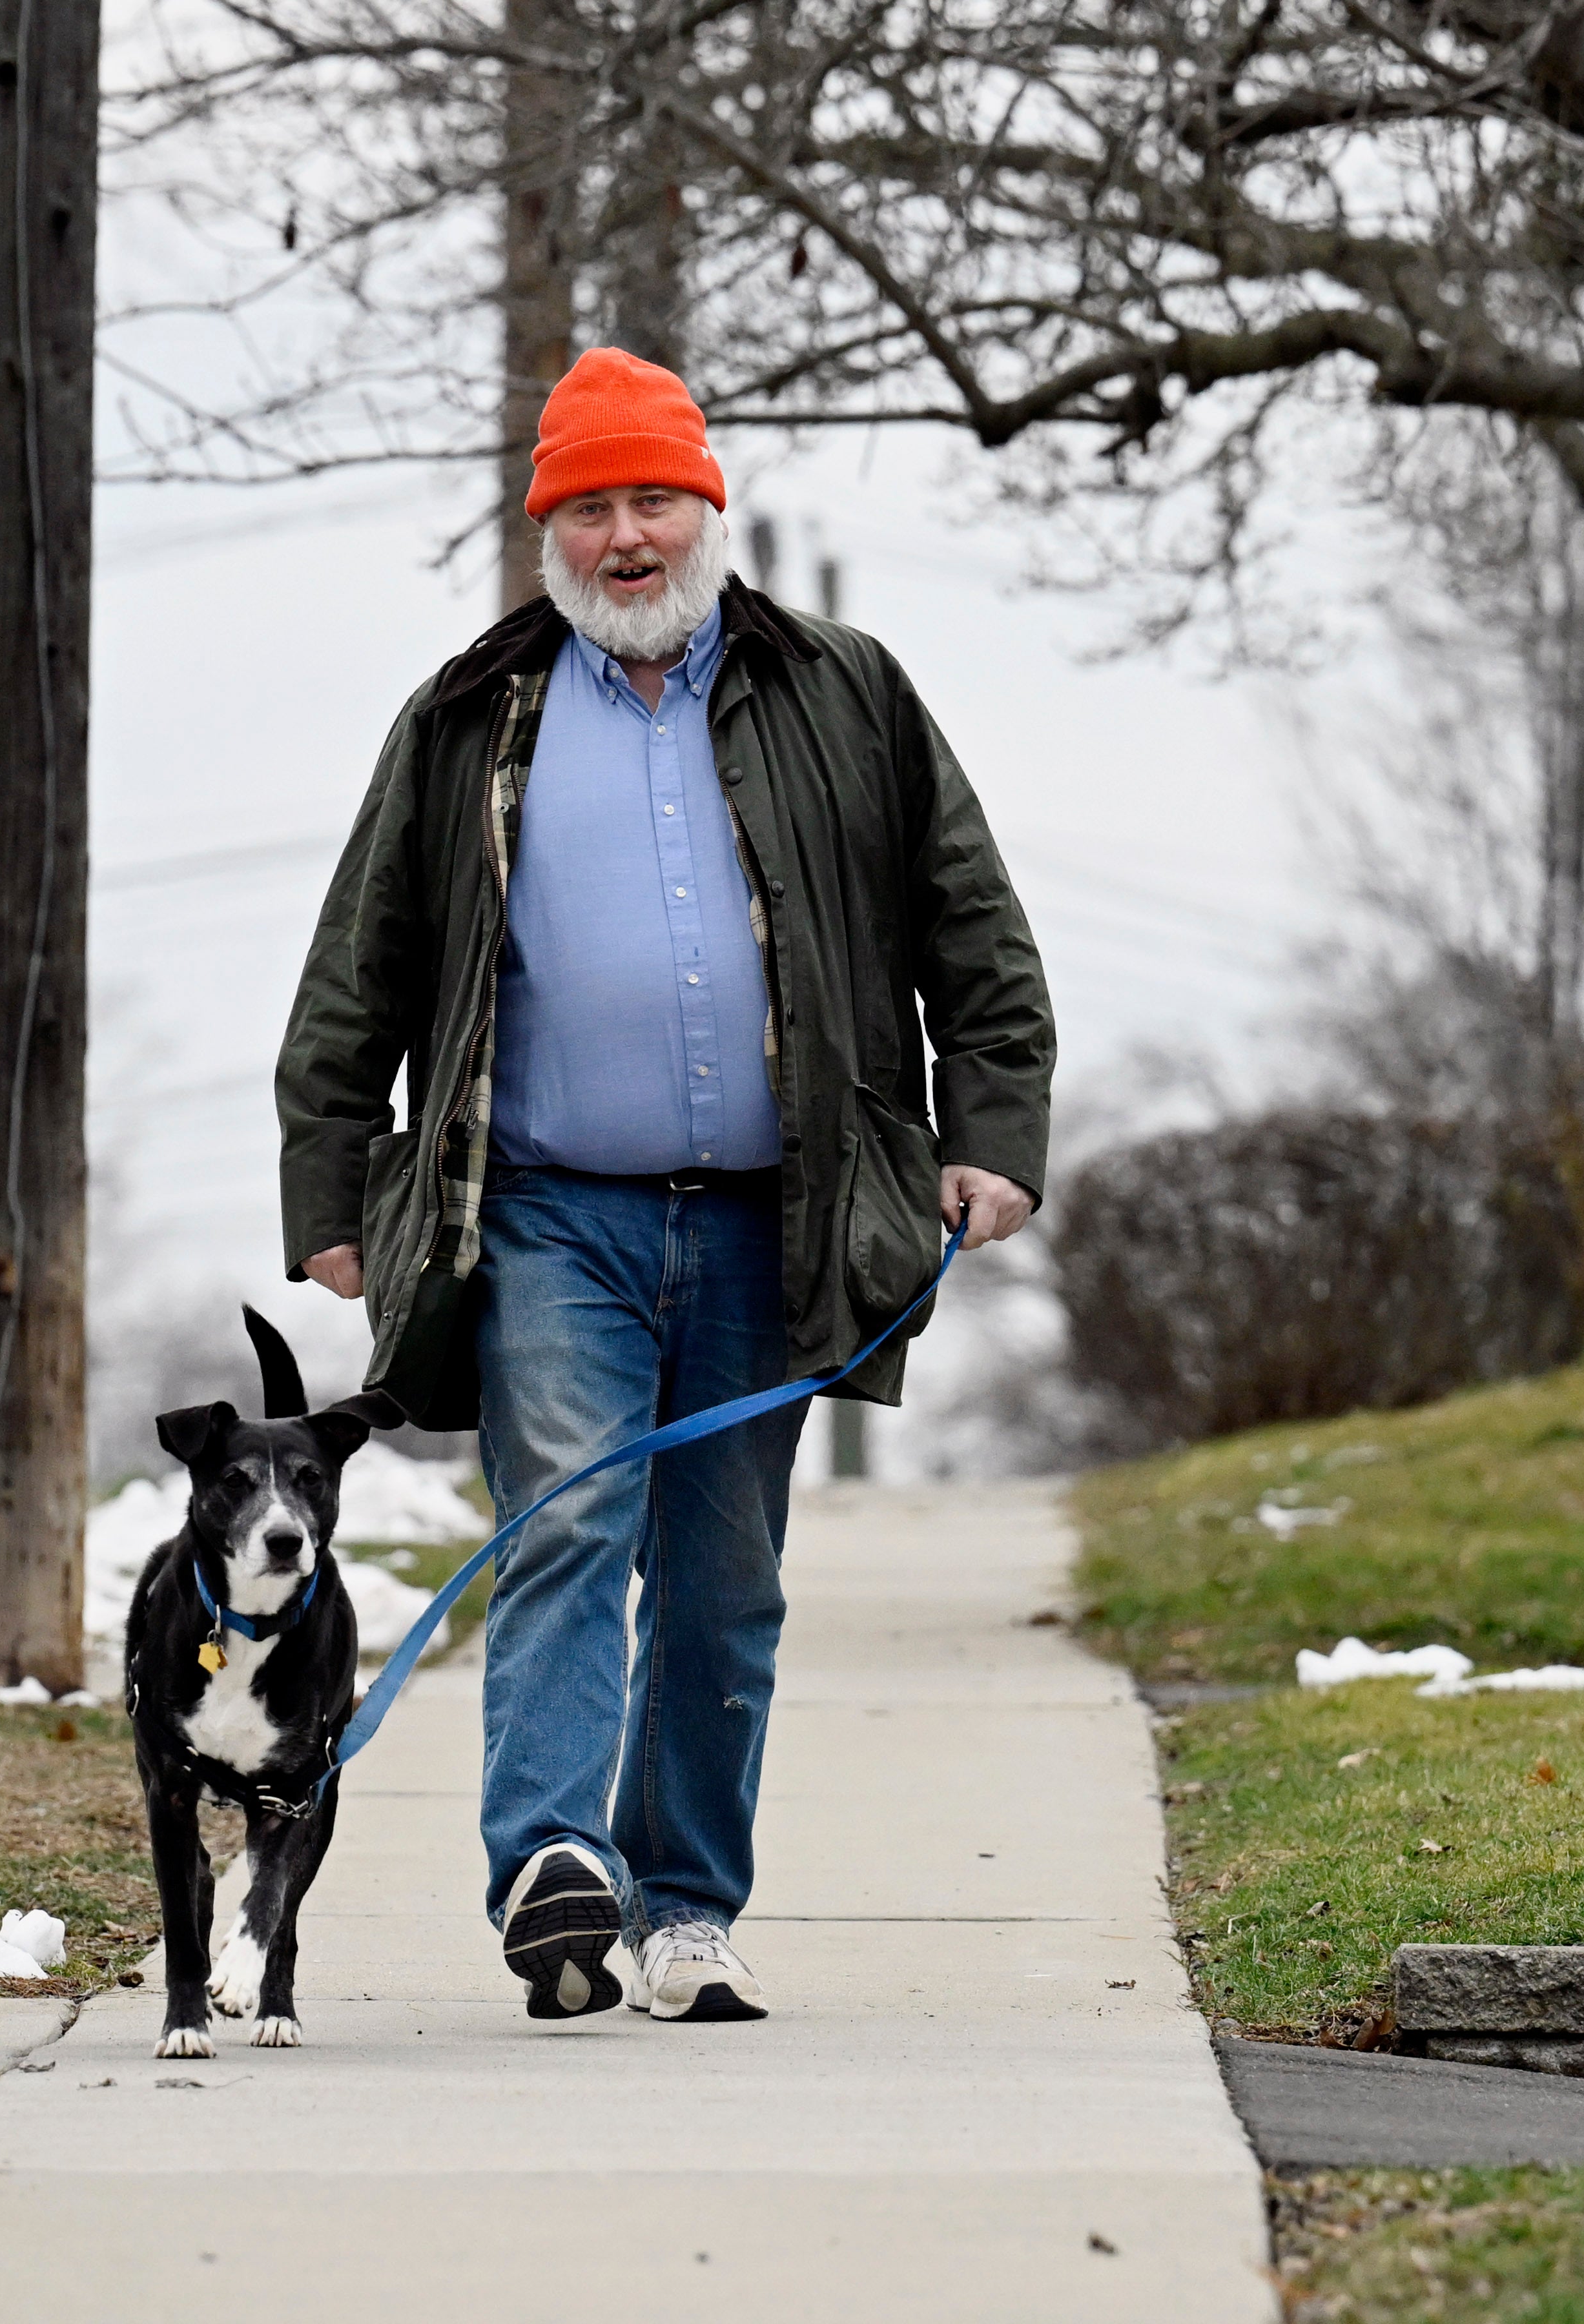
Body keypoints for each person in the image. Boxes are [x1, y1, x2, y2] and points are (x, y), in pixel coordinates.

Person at [276, 347, 1055, 2026]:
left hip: (783, 1219)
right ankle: (557, 1861)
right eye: (592, 506)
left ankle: (690, 1902)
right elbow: (363, 962)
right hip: (554, 1212)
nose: (627, 535)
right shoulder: (469, 719)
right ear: (550, 528)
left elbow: (972, 931)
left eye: (654, 500)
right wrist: (330, 1189)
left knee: (725, 1572)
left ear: (709, 508)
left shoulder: (847, 692)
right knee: (567, 1508)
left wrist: (990, 1132)